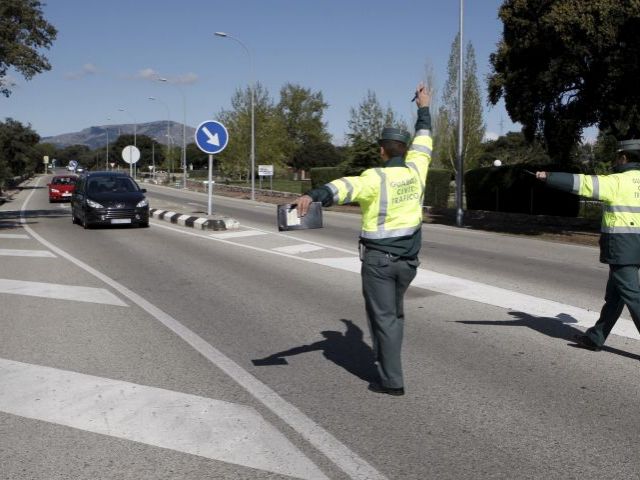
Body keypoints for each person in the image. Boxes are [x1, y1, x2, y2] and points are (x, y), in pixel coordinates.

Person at [295, 83, 433, 396]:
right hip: (408, 264)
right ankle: (387, 358)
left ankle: (391, 380)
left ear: (382, 151)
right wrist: (423, 106)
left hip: (379, 263)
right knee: (394, 315)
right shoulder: (417, 169)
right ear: (405, 150)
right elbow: (425, 136)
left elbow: (341, 188)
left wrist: (312, 195)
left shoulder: (374, 178)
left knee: (384, 318)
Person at [536, 139, 640, 351]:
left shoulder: (617, 181)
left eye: (617, 156)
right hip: (636, 247)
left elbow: (582, 183)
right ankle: (596, 337)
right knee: (615, 296)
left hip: (623, 248)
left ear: (624, 157)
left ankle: (596, 336)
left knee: (632, 295)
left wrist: (549, 176)